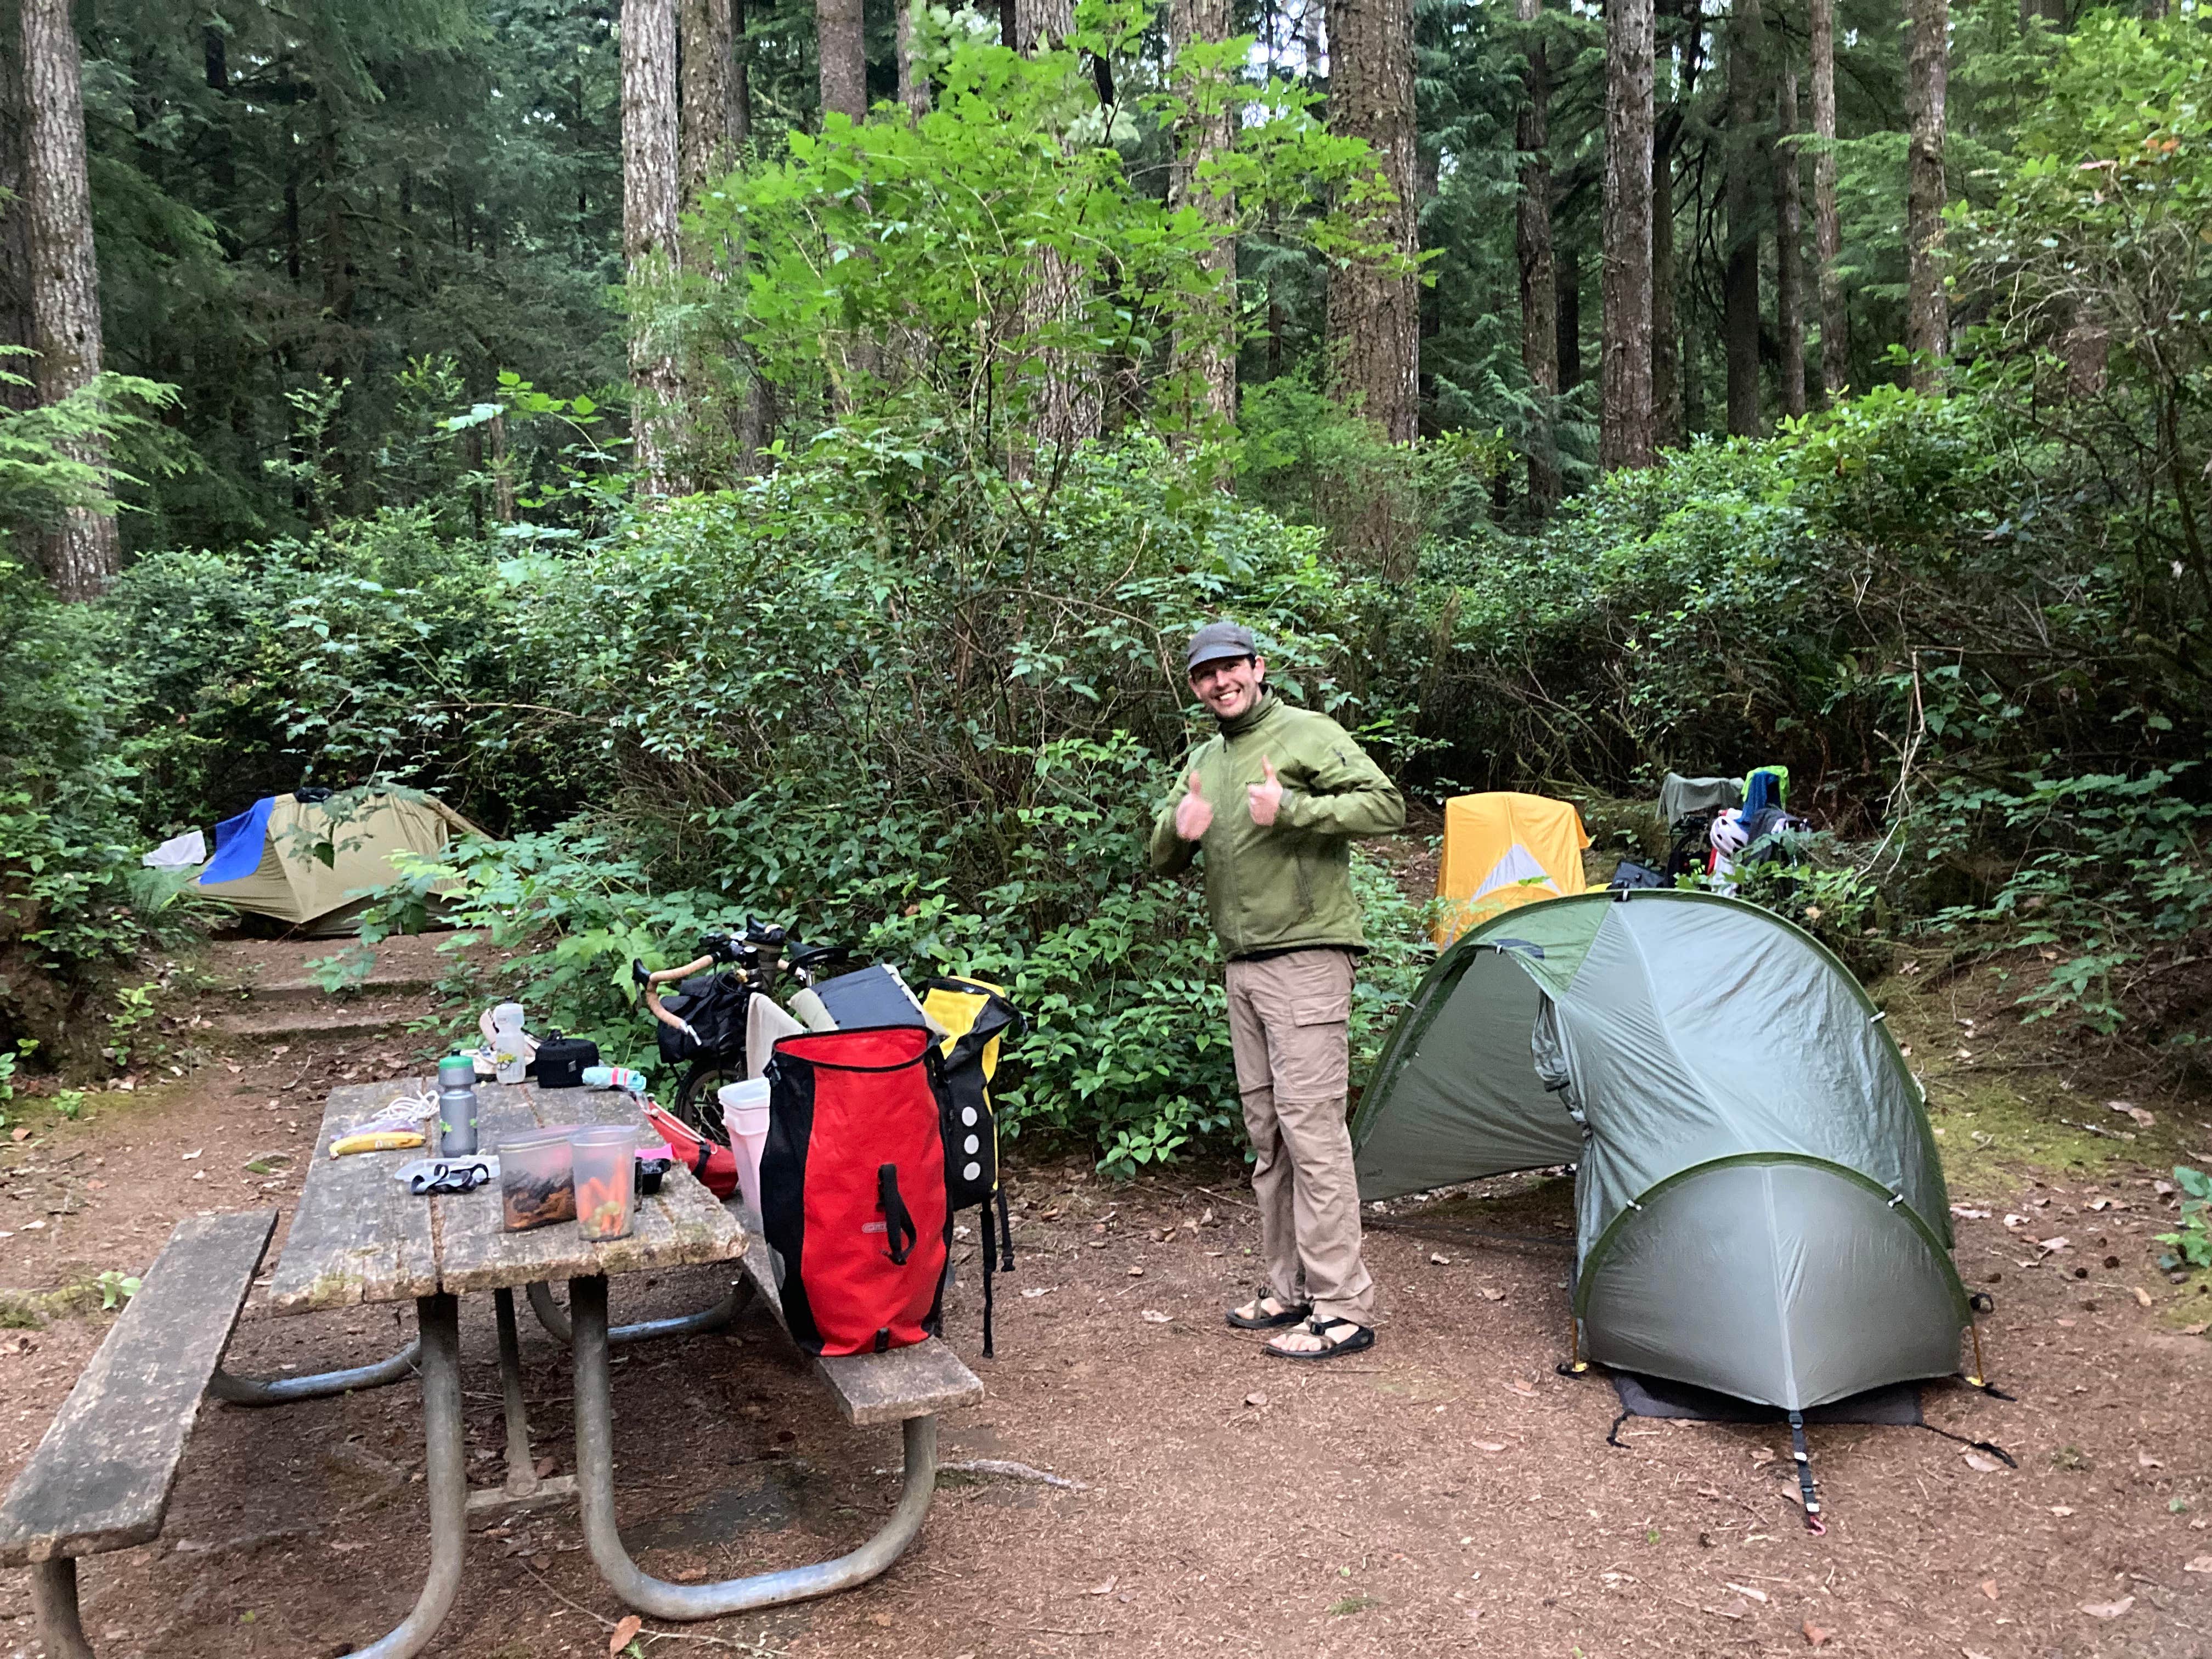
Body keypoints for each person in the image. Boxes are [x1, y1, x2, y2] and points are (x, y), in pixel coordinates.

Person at [1149, 621, 1406, 1360]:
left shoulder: (1306, 732)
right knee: (1269, 1136)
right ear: (1195, 686)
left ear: (1258, 668)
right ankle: (1289, 1288)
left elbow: (1386, 806)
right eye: (1206, 674)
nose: (1220, 682)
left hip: (1307, 959)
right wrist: (1179, 830)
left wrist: (1293, 809)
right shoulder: (1206, 758)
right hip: (1244, 967)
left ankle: (1343, 1305)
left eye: (1231, 667)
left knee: (1312, 1132)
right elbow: (1161, 854)